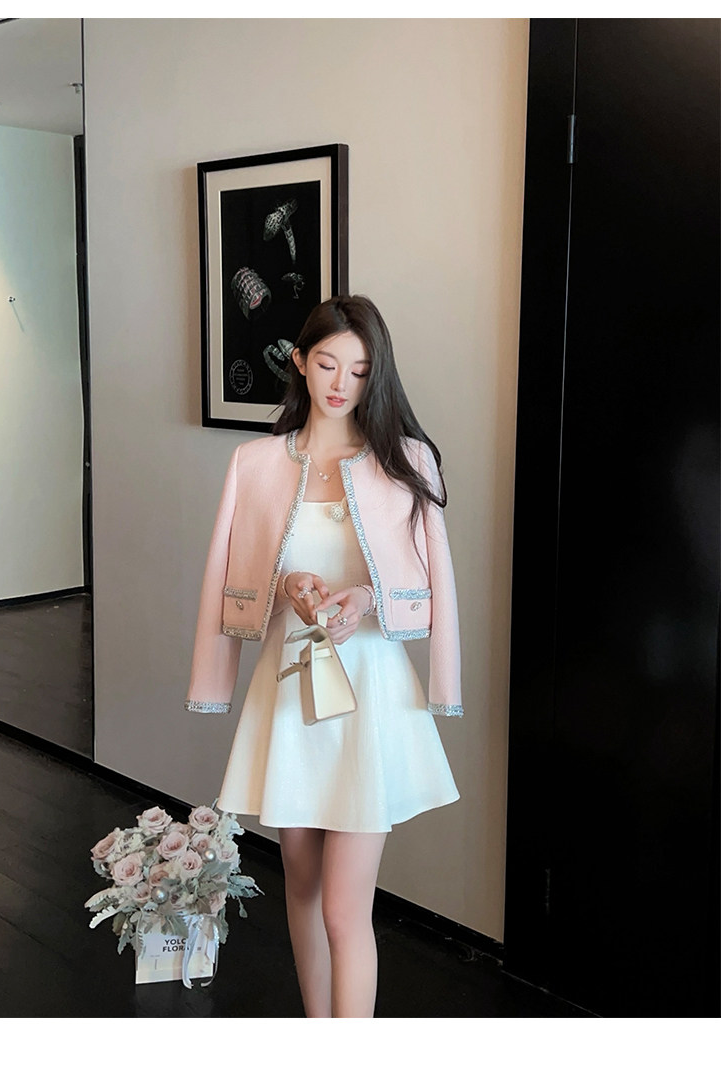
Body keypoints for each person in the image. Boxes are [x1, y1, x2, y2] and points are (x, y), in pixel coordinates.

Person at [185, 294, 463, 1018]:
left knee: (345, 910)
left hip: (370, 701)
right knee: (302, 895)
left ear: (377, 376)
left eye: (360, 371)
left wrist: (366, 598)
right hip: (290, 695)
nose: (342, 384)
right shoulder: (255, 463)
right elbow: (229, 578)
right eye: (329, 364)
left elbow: (434, 583)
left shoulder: (408, 461)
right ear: (300, 362)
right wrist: (288, 586)